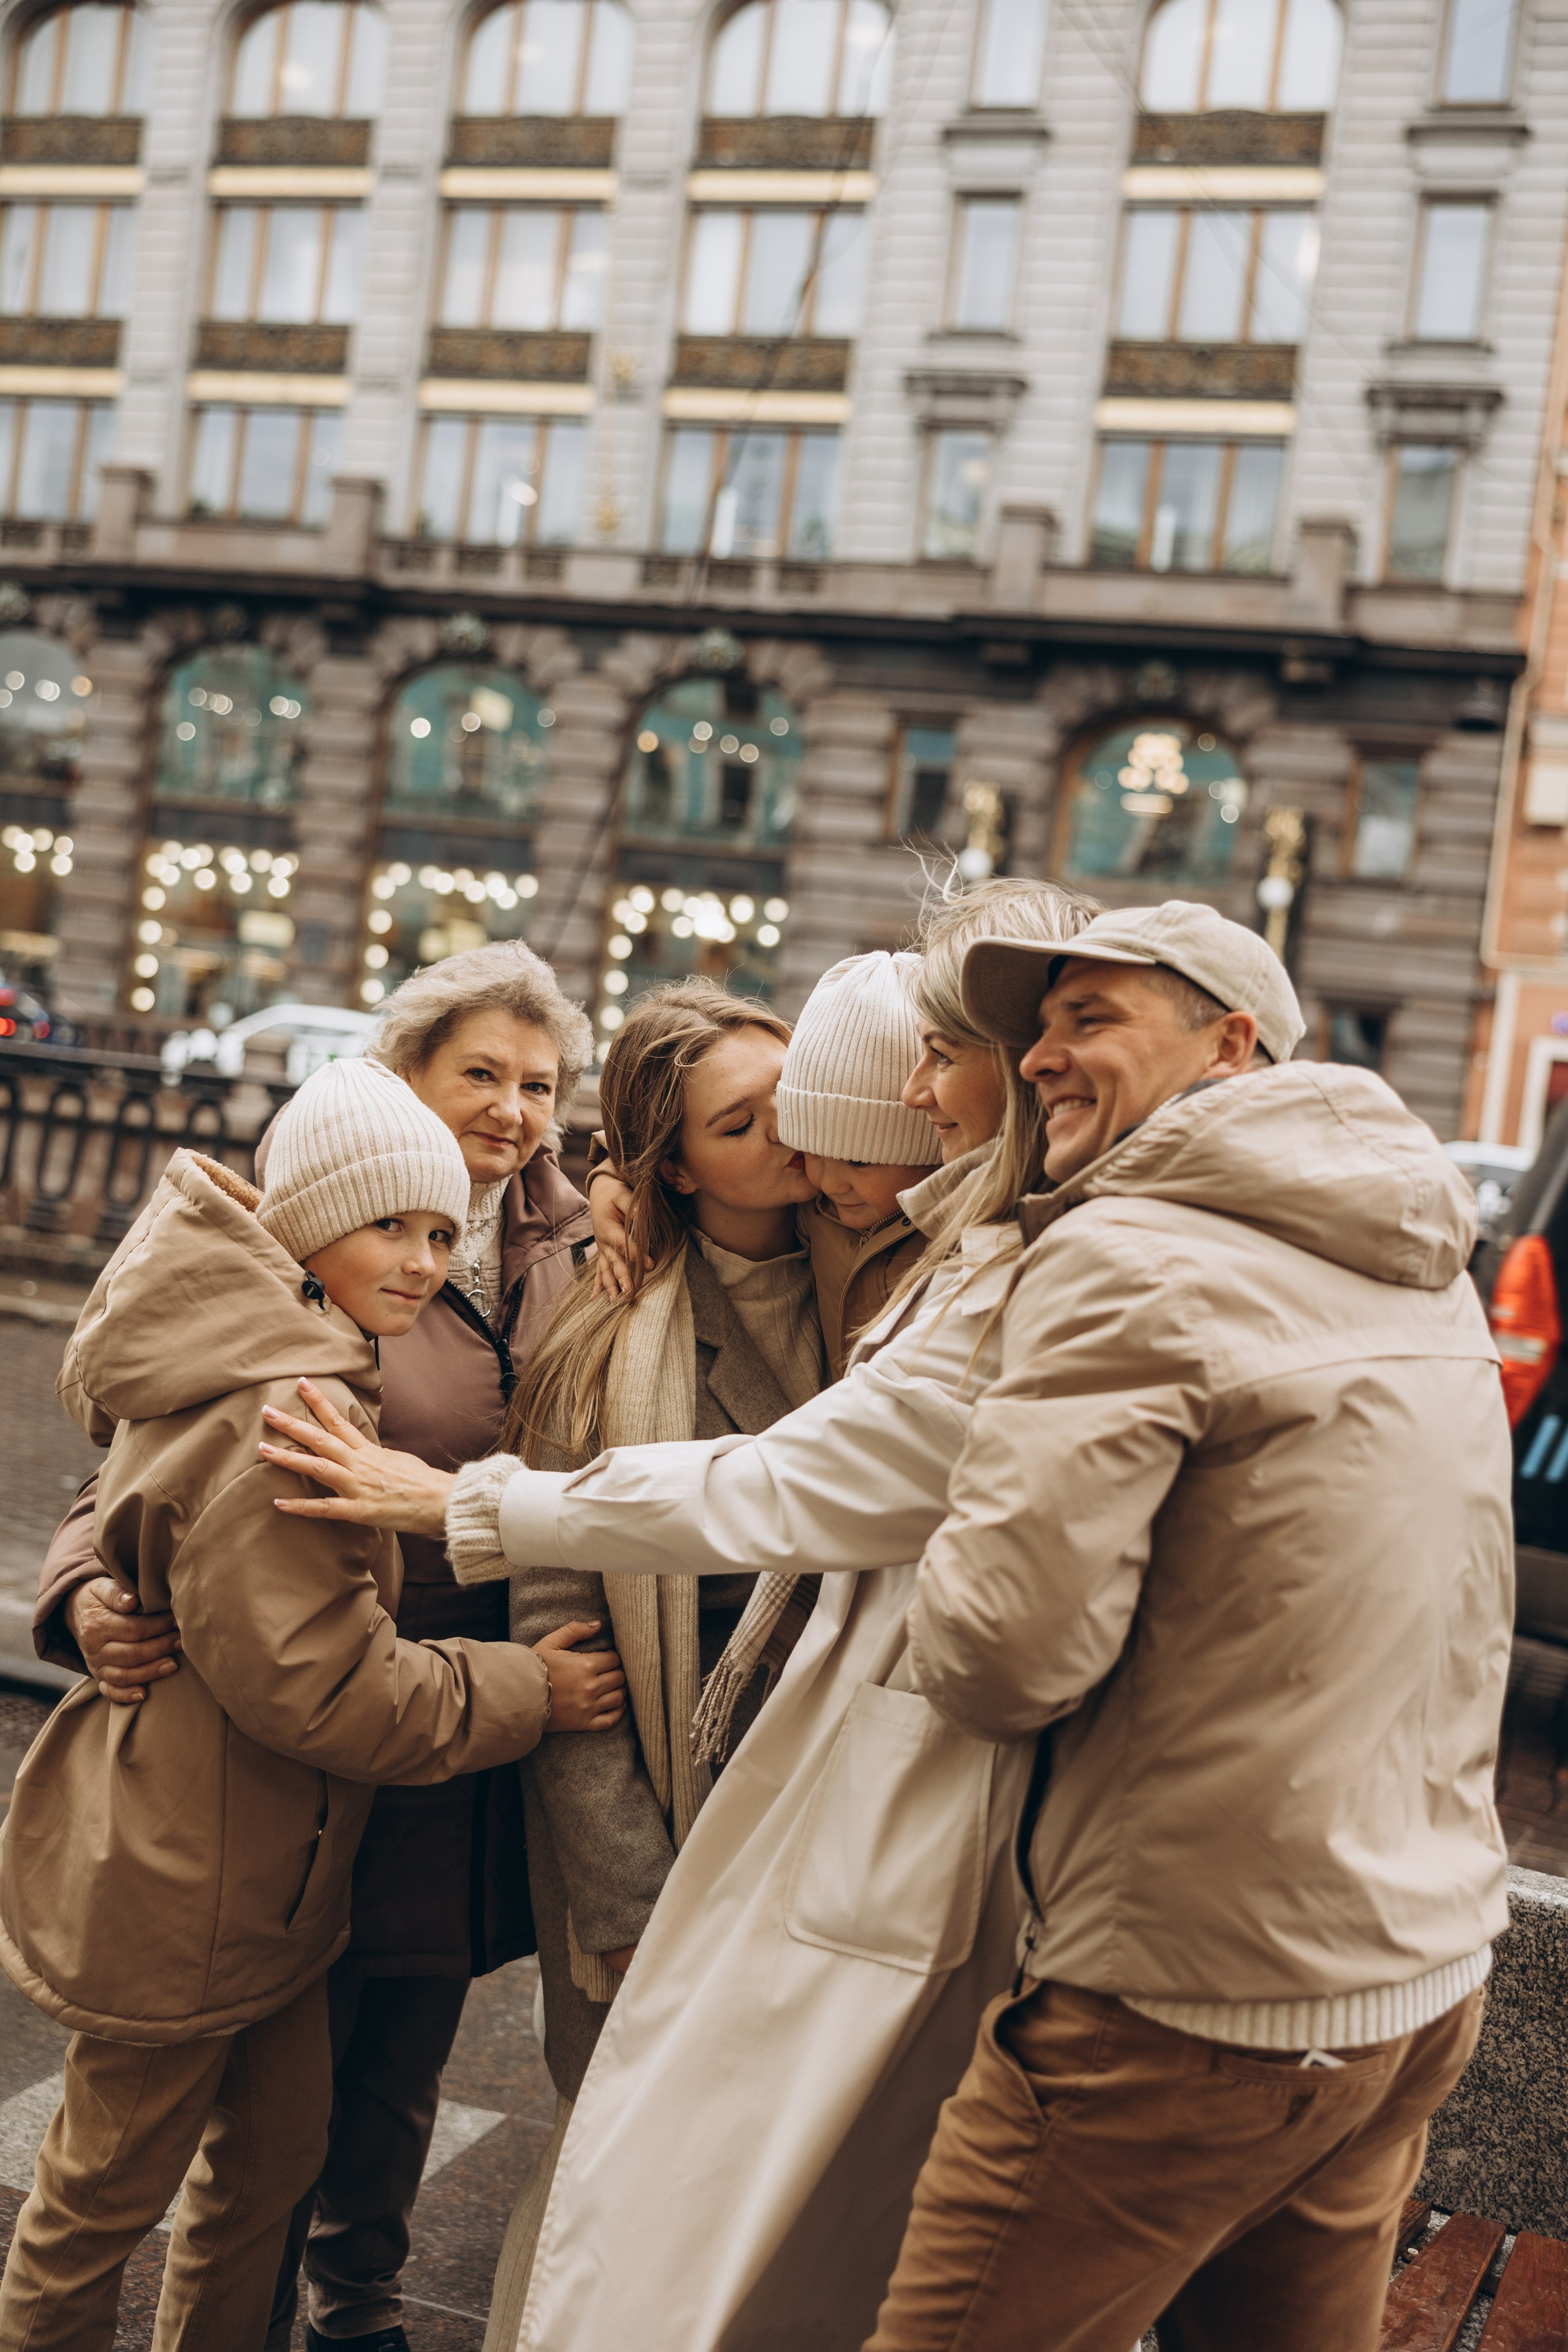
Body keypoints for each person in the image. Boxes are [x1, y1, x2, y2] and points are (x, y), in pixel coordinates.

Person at [252, 880, 1097, 2352]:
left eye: (807, 1102)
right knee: (623, 2166)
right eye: (748, 1122)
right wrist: (632, 1900)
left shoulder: (914, 1279)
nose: (808, 1137)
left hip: (859, 1819)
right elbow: (575, 1621)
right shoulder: (609, 1318)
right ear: (677, 1168)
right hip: (652, 1799)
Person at [864, 900, 1513, 2352]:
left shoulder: (1122, 1255)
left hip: (1185, 1998)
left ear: (1229, 1043)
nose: (1038, 1057)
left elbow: (999, 1656)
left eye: (1089, 1019)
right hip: (1414, 1978)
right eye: (1036, 1026)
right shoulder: (1415, 1248)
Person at [30, 940, 603, 2352]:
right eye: (479, 1072)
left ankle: (354, 2311)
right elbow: (133, 1475)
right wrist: (86, 1594)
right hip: (314, 1732)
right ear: (400, 1077)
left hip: (432, 1733)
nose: (514, 1110)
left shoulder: (588, 1244)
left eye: (541, 1083)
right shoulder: (286, 1292)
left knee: (383, 2068)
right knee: (165, 2146)